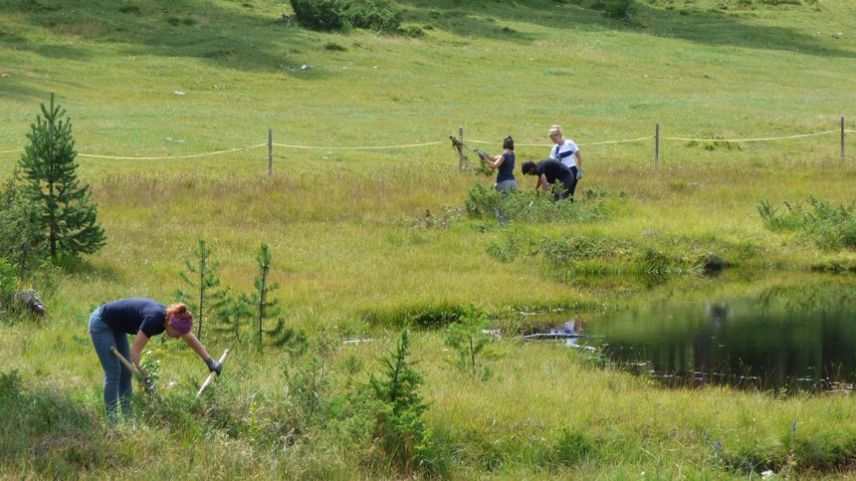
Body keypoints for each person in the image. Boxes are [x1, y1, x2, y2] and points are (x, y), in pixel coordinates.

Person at [88, 298, 222, 419]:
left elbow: (190, 339)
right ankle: (112, 422)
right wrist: (146, 377)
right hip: (102, 323)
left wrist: (209, 362)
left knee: (126, 374)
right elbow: (135, 353)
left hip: (117, 328)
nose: (178, 338)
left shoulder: (169, 318)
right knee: (114, 373)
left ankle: (127, 419)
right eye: (178, 334)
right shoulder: (153, 319)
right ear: (171, 324)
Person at [547, 124, 583, 197]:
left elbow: (579, 157)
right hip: (561, 172)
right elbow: (551, 165)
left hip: (571, 170)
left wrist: (579, 170)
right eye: (552, 139)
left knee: (568, 194)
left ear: (559, 135)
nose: (553, 140)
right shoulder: (555, 149)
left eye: (554, 138)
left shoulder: (570, 143)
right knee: (555, 195)